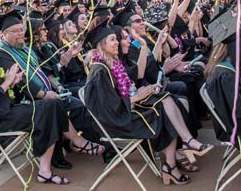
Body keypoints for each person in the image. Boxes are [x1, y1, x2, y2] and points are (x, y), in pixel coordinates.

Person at [0, 20, 102, 185]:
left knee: (54, 104)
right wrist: (8, 81)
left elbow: (1, 94)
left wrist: (13, 82)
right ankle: (75, 143)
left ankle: (47, 169)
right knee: (49, 106)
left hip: (9, 110)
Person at [83, 23, 213, 186]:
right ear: (101, 44)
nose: (117, 42)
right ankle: (173, 162)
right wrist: (137, 97)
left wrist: (141, 93)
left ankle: (180, 151)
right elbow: (107, 107)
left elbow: (123, 91)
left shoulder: (111, 64)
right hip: (115, 122)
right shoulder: (99, 71)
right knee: (163, 111)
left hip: (124, 112)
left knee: (165, 99)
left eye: (116, 39)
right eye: (112, 40)